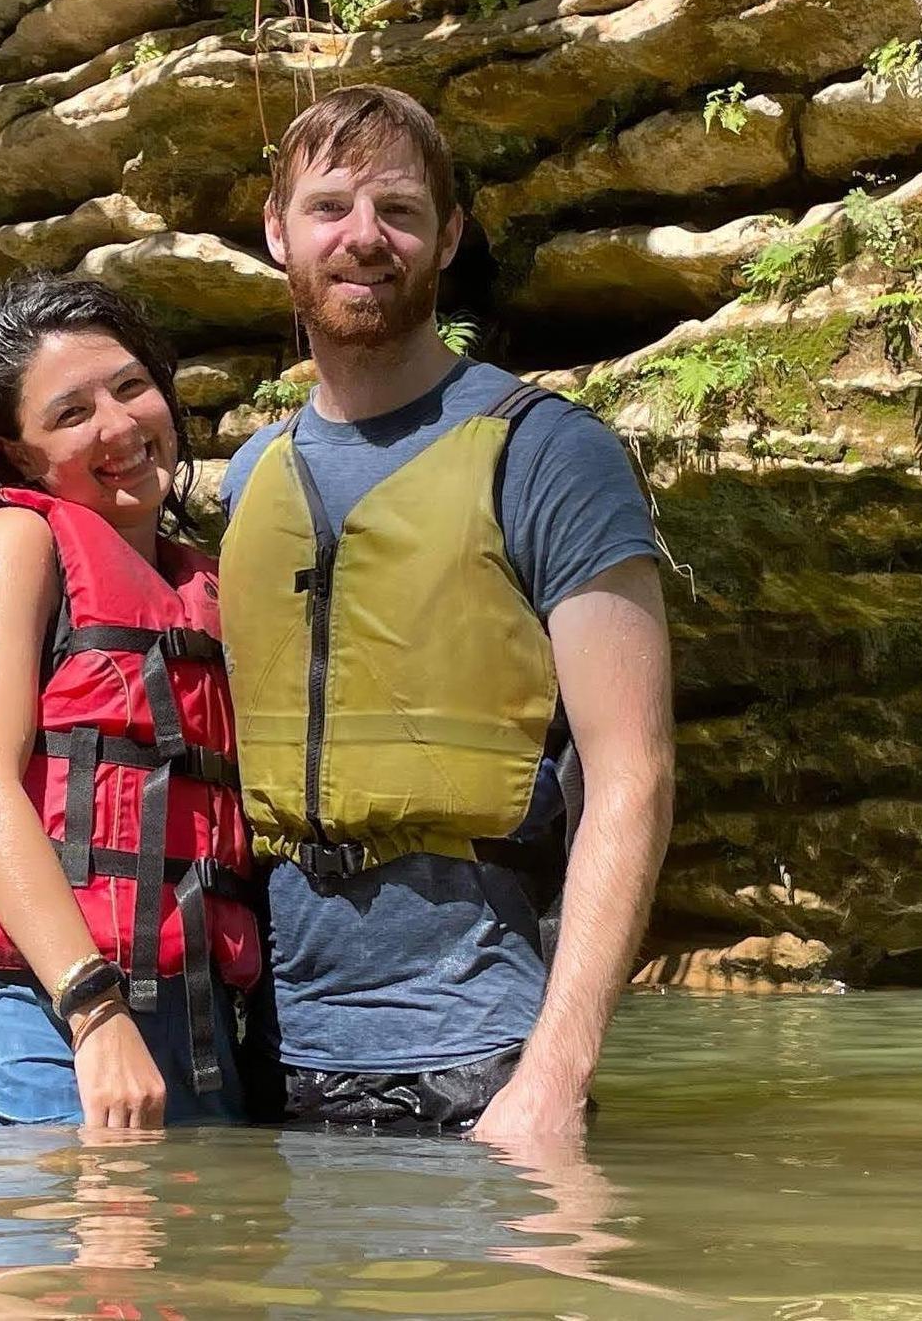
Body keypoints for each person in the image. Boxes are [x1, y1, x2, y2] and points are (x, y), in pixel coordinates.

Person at [218, 85, 675, 1141]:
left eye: (401, 211)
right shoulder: (250, 479)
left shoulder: (550, 454)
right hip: (264, 1059)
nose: (364, 238)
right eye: (330, 206)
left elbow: (633, 772)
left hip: (478, 1060)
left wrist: (553, 1076)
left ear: (449, 236)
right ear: (277, 231)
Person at [0, 276, 261, 1128]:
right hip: (36, 1002)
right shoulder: (17, 541)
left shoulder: (197, 579)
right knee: (50, 1262)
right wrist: (93, 1009)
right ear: (20, 453)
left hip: (189, 1012)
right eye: (71, 414)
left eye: (132, 388)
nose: (122, 425)